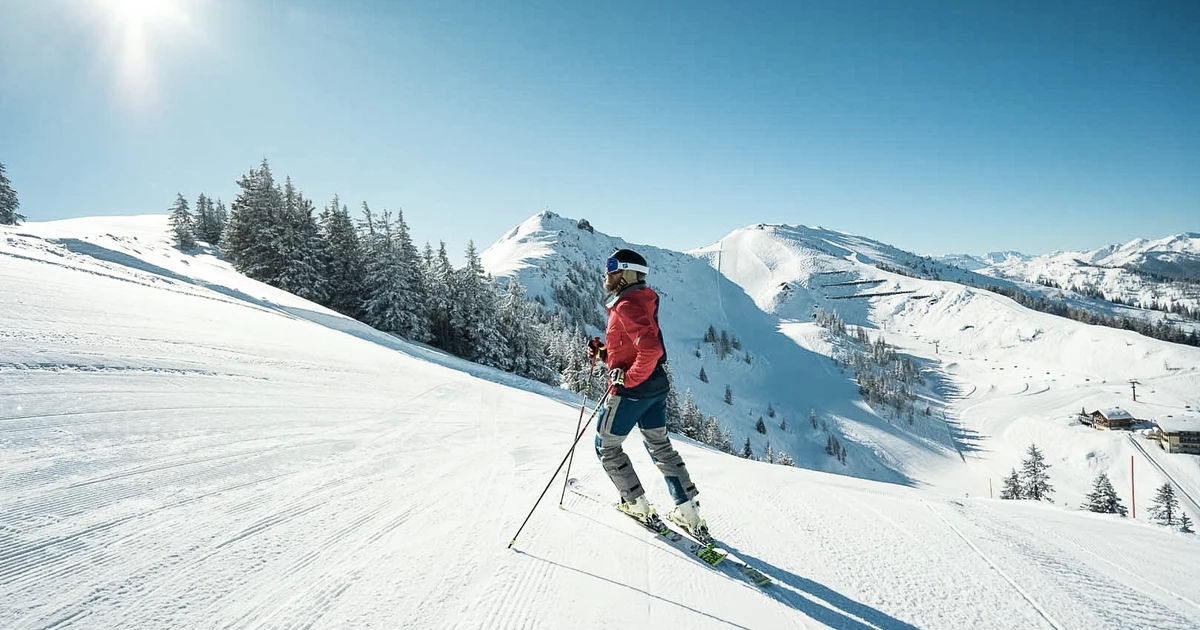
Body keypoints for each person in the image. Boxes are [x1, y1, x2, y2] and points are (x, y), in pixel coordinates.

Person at [587, 248, 709, 541]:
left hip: (632, 392)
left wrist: (628, 380)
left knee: (605, 445)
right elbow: (633, 349)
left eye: (613, 266)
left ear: (627, 272)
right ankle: (689, 512)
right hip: (655, 387)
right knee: (660, 447)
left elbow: (650, 349)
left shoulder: (627, 305)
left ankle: (635, 503)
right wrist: (605, 354)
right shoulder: (638, 301)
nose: (607, 272)